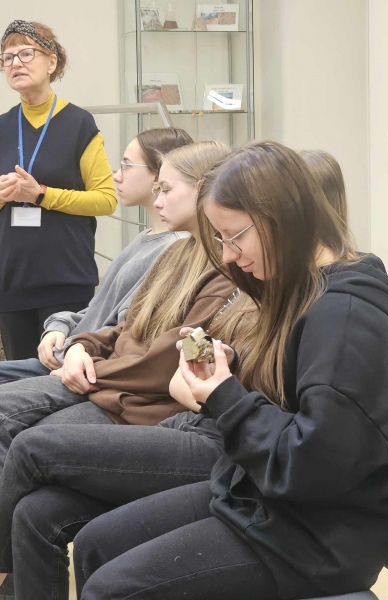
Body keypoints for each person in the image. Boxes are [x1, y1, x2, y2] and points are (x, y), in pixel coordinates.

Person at [69, 141, 388, 600]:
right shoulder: (320, 293)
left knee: (110, 589)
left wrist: (222, 394)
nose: (228, 256)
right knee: (96, 544)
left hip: (311, 539)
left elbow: (309, 466)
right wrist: (227, 377)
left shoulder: (343, 320)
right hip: (269, 501)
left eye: (234, 236)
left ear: (280, 218)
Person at [0, 147, 356, 600]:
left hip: (200, 435)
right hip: (175, 415)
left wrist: (212, 384)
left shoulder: (316, 302)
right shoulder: (216, 265)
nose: (230, 253)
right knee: (38, 510)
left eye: (167, 188)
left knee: (29, 443)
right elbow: (162, 347)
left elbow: (193, 376)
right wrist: (82, 345)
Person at [0, 140, 235, 599]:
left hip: (129, 401)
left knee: (22, 436)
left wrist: (90, 366)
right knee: (32, 493)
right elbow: (122, 326)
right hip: (103, 380)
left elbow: (169, 360)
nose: (158, 199)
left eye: (166, 188)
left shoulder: (222, 269)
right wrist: (80, 345)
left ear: (203, 190)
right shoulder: (177, 253)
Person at [0, 127, 193, 384]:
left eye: (127, 166)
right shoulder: (145, 238)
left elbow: (126, 333)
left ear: (159, 175)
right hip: (73, 353)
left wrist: (76, 348)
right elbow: (97, 311)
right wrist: (59, 326)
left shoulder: (174, 249)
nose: (117, 176)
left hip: (88, 368)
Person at [0, 20, 117, 360]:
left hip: (66, 280)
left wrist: (41, 195)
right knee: (17, 381)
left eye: (26, 53)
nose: (15, 63)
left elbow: (106, 199)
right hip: (12, 281)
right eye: (7, 57)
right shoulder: (2, 126)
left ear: (52, 62)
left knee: (65, 376)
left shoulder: (79, 124)